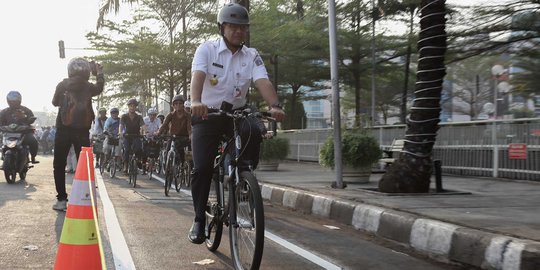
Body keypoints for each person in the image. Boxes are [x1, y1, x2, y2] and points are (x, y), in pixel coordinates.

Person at [187, 3, 285, 244]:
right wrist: (196, 101)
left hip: (236, 116)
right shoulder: (207, 50)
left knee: (253, 127)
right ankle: (199, 219)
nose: (238, 31)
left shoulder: (251, 55)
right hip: (207, 115)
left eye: (243, 28)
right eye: (233, 27)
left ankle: (242, 177)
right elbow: (197, 76)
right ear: (222, 28)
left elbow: (263, 81)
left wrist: (275, 105)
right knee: (202, 168)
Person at [51, 57, 104, 211]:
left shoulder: (63, 84)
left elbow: (54, 102)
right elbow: (99, 87)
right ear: (87, 71)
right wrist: (99, 73)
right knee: (85, 166)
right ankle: (84, 199)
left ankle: (61, 200)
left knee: (59, 164)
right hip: (82, 131)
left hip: (63, 130)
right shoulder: (89, 87)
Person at [0, 91, 40, 164]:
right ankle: (3, 156)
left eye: (15, 101)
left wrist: (25, 118)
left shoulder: (26, 110)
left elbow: (31, 118)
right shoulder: (4, 112)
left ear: (19, 101)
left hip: (24, 133)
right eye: (11, 101)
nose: (13, 103)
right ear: (8, 101)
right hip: (8, 133)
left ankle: (33, 157)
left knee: (33, 141)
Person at [156, 95, 191, 164]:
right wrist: (158, 132)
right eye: (176, 104)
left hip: (184, 138)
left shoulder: (188, 115)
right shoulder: (170, 115)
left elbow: (189, 126)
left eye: (180, 103)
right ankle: (169, 170)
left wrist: (190, 135)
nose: (178, 105)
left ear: (183, 104)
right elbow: (164, 125)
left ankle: (186, 167)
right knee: (167, 153)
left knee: (189, 156)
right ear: (173, 105)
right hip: (173, 137)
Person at [119, 98, 144, 173]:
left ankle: (138, 161)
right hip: (127, 136)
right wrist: (120, 132)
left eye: (134, 106)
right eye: (131, 106)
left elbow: (143, 125)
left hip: (136, 135)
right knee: (126, 150)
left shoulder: (139, 117)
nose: (132, 107)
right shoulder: (124, 116)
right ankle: (125, 165)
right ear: (128, 107)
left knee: (139, 148)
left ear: (136, 107)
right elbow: (121, 125)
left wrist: (146, 132)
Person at [142, 108, 161, 174]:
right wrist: (144, 133)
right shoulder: (145, 119)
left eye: (154, 115)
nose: (152, 116)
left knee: (158, 148)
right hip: (146, 137)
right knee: (144, 151)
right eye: (151, 115)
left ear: (156, 115)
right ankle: (144, 166)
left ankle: (155, 160)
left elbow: (160, 127)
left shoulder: (158, 120)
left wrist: (158, 132)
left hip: (155, 136)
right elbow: (141, 128)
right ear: (148, 115)